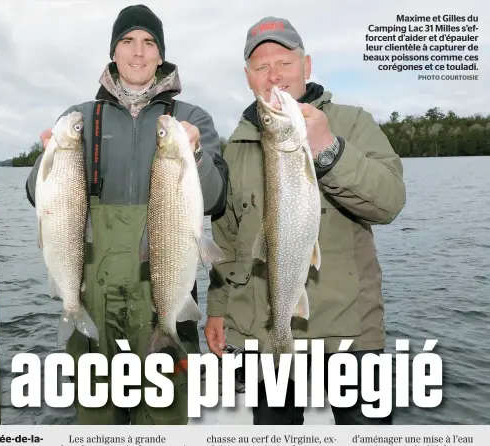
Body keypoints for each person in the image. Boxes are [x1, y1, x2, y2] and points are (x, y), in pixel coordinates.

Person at [25, 4, 228, 425]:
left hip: (165, 291)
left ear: (161, 54)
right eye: (128, 42)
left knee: (165, 414)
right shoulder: (79, 117)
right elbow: (37, 197)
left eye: (149, 43)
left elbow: (215, 199)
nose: (138, 53)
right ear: (113, 53)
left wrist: (194, 153)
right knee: (97, 415)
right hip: (94, 295)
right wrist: (45, 159)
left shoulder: (191, 118)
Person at [204, 16, 406, 425]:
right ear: (248, 78)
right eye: (261, 67)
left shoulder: (353, 123)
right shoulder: (236, 147)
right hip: (267, 340)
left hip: (348, 335)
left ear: (307, 66)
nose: (274, 76)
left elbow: (389, 202)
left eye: (284, 63)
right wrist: (217, 309)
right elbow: (226, 243)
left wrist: (329, 150)